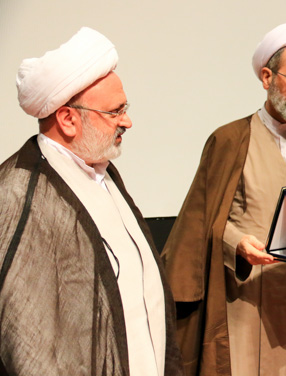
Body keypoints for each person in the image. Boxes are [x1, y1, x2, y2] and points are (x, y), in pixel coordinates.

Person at [161, 23, 286, 376]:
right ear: (267, 77)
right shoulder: (229, 140)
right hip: (242, 297)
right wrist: (237, 243)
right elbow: (201, 223)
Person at [0, 27, 182, 376]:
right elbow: (26, 339)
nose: (127, 121)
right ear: (68, 120)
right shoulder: (18, 193)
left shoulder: (103, 172)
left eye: (125, 108)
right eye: (115, 111)